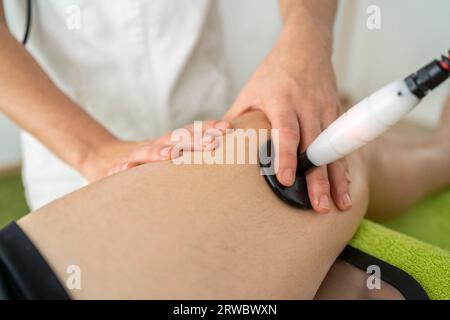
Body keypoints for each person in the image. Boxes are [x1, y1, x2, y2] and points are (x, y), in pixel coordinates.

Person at [1, 97, 449, 299]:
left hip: (200, 116)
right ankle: (440, 157)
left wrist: (306, 37)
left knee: (308, 138)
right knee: (336, 159)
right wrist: (91, 150)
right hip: (68, 179)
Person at [0, 1, 349, 214]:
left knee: (358, 163)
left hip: (211, 129)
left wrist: (307, 41)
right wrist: (96, 153)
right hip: (73, 157)